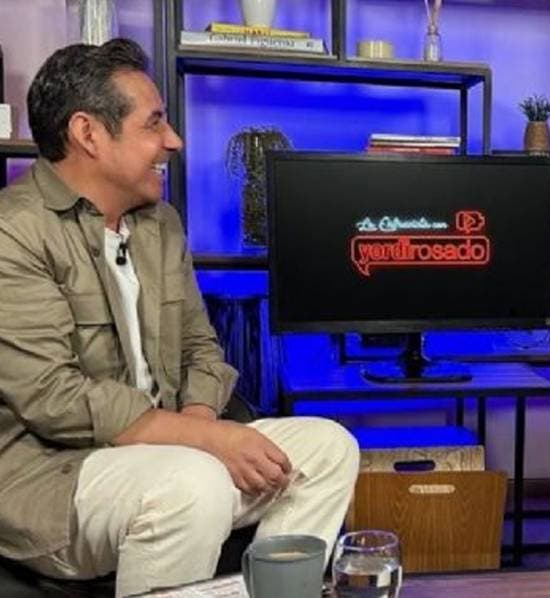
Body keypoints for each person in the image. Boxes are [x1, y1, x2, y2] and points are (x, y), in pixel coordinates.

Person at [0, 39, 360, 596]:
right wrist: (203, 440)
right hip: (55, 478)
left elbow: (201, 350)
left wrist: (199, 429)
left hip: (170, 451)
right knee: (193, 485)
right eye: (154, 123)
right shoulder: (15, 230)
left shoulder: (160, 223)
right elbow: (54, 397)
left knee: (329, 448)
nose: (174, 140)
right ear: (88, 133)